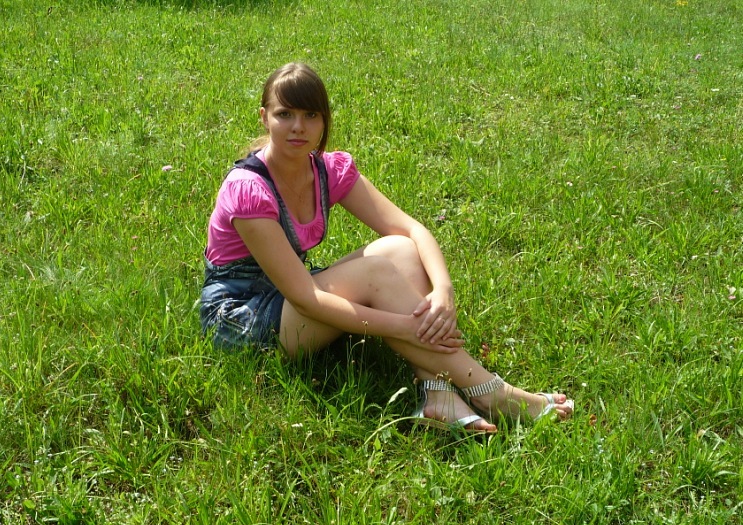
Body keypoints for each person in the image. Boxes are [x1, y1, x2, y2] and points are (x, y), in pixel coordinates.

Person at [200, 62, 574, 433]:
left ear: (324, 120)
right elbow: (305, 299)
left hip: (289, 294)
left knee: (401, 249)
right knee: (377, 271)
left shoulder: (326, 170)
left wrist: (443, 290)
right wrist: (404, 327)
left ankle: (438, 394)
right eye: (285, 114)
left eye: (311, 115)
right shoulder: (247, 188)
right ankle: (493, 393)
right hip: (241, 321)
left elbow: (412, 230)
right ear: (264, 117)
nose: (298, 126)